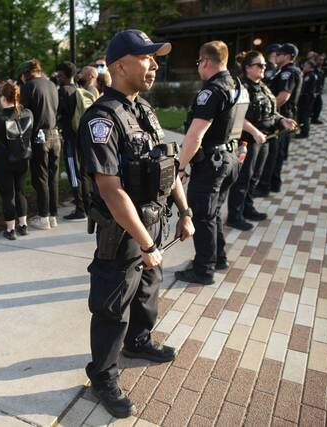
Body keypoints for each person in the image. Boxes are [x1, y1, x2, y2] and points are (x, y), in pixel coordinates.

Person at [79, 30, 194, 418]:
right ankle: (102, 374)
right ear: (119, 65)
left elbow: (168, 165)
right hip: (124, 233)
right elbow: (111, 191)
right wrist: (146, 244)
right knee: (113, 305)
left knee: (148, 288)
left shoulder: (142, 110)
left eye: (155, 57)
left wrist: (185, 210)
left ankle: (139, 341)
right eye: (146, 57)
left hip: (154, 223)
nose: (155, 65)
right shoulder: (101, 119)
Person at [175, 40, 256, 285]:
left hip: (212, 163)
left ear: (206, 62)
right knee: (213, 213)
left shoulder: (212, 90)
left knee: (202, 215)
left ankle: (203, 269)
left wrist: (180, 166)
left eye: (199, 62)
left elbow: (195, 135)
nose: (199, 67)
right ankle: (218, 258)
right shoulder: (238, 86)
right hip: (230, 160)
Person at [226, 51, 297, 231]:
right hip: (247, 141)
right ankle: (235, 216)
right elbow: (237, 116)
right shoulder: (241, 88)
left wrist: (282, 120)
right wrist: (255, 131)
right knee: (243, 178)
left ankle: (247, 208)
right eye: (259, 65)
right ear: (248, 67)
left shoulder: (262, 86)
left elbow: (271, 111)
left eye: (264, 65)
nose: (264, 68)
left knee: (255, 177)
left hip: (264, 139)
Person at [0, 81, 32, 240]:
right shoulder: (28, 113)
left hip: (2, 161)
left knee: (7, 195)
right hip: (23, 158)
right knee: (20, 191)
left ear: (3, 98)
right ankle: (23, 225)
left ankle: (11, 229)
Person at [17, 59, 61, 230]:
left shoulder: (29, 87)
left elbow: (21, 112)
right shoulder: (51, 84)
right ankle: (53, 215)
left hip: (39, 136)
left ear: (25, 74)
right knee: (53, 177)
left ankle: (44, 216)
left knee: (41, 177)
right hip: (55, 134)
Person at [257, 43, 302, 196]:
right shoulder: (284, 71)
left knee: (274, 154)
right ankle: (274, 184)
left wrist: (267, 110)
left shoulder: (287, 73)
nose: (276, 56)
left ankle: (266, 186)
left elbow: (283, 97)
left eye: (280, 54)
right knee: (277, 153)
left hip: (281, 117)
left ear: (288, 56)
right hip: (283, 116)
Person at [56, 61, 91, 221]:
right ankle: (88, 204)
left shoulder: (63, 91)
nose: (57, 77)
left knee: (73, 173)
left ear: (64, 75)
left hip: (70, 138)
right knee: (83, 172)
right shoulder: (78, 89)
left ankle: (80, 208)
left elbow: (62, 114)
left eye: (59, 74)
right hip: (81, 137)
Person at [295, 59, 318, 139]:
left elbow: (305, 88)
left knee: (304, 115)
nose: (303, 67)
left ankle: (304, 133)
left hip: (306, 99)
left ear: (310, 66)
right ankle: (304, 131)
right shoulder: (308, 74)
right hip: (306, 98)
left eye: (305, 65)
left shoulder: (309, 76)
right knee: (303, 115)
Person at [311, 53, 326, 125]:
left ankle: (314, 118)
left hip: (318, 91)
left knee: (318, 105)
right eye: (320, 60)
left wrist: (321, 88)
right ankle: (312, 118)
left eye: (322, 60)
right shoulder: (313, 68)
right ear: (316, 60)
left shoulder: (321, 69)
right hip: (313, 91)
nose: (321, 61)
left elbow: (321, 80)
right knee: (314, 105)